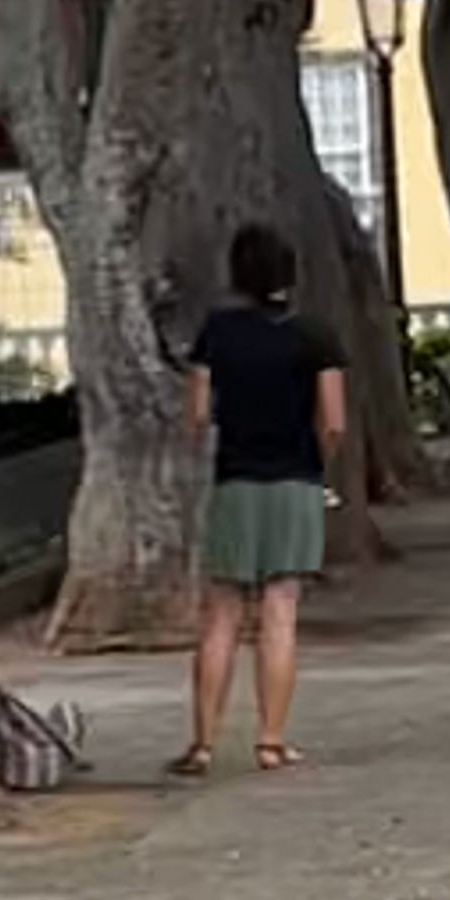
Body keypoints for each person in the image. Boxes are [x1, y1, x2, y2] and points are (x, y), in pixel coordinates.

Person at [172, 219, 344, 773]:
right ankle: (270, 741)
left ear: (237, 275)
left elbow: (197, 414)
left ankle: (203, 743)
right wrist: (318, 462)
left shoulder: (217, 332)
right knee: (280, 610)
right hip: (296, 480)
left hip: (235, 480)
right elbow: (333, 421)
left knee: (221, 613)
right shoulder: (315, 335)